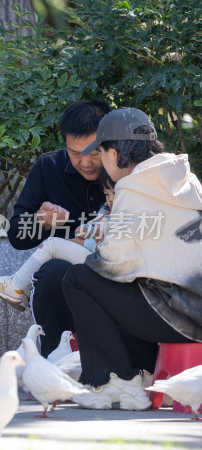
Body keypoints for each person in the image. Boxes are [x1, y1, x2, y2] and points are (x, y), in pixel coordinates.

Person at [63, 107, 202, 410]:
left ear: (115, 153)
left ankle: (112, 383)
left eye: (100, 153)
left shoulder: (134, 187)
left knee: (80, 279)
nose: (100, 163)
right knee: (126, 288)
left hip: (180, 318)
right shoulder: (186, 180)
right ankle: (134, 377)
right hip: (194, 308)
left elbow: (113, 264)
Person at [5, 100, 111, 356]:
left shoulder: (124, 170)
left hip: (115, 269)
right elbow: (17, 235)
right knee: (53, 271)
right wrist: (42, 223)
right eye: (75, 153)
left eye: (94, 152)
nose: (85, 162)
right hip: (64, 277)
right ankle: (53, 363)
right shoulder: (48, 168)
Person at [0, 174, 114, 307]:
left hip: (106, 263)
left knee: (53, 244)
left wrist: (86, 236)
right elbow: (87, 230)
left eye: (115, 193)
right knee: (56, 248)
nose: (110, 199)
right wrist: (85, 233)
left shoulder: (124, 214)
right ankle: (23, 289)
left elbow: (103, 241)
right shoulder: (107, 209)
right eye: (106, 194)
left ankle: (16, 285)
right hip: (95, 257)